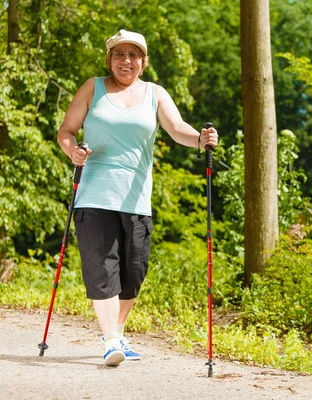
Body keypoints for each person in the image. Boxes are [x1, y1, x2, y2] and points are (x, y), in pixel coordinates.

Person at [56, 29, 218, 367]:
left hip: (136, 199)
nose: (125, 61)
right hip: (94, 194)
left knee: (134, 270)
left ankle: (116, 330)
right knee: (101, 268)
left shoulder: (155, 94)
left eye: (133, 55)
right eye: (119, 55)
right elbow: (66, 130)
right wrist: (74, 153)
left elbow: (177, 128)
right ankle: (111, 339)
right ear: (109, 60)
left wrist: (201, 140)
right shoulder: (93, 88)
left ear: (143, 62)